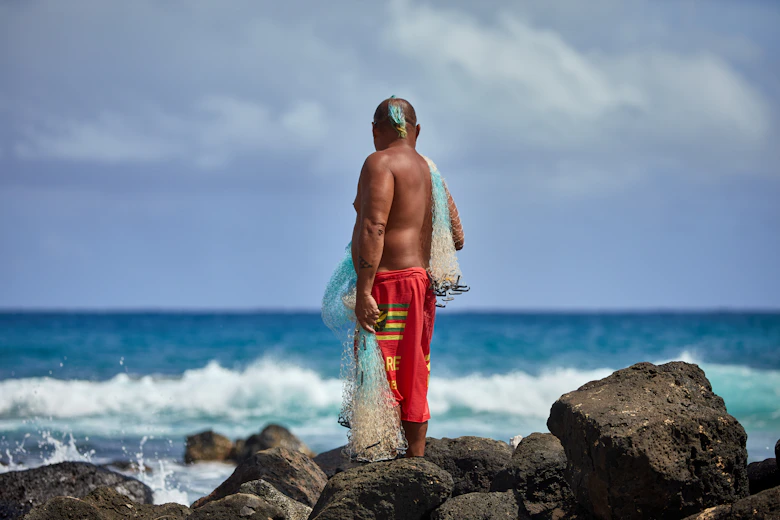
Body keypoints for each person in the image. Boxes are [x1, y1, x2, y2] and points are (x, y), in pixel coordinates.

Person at [350, 97, 464, 457]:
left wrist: (365, 290)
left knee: (379, 373)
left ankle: (382, 457)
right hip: (421, 284)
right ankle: (415, 461)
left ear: (374, 130)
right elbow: (457, 237)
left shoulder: (378, 162)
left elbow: (374, 226)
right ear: (417, 131)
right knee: (413, 370)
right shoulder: (430, 171)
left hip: (388, 282)